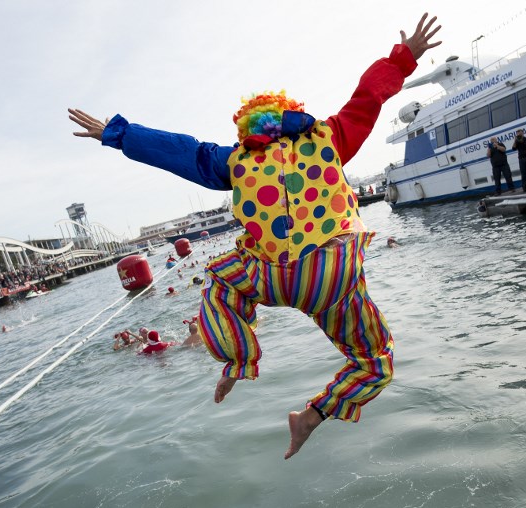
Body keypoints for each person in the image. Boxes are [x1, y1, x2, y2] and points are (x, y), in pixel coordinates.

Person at [68, 13, 441, 460]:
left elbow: (180, 151)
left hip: (271, 277)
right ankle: (312, 416)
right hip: (331, 275)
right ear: (292, 116)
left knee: (221, 284)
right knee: (375, 360)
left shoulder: (236, 160)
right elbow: (368, 97)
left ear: (249, 126)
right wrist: (404, 58)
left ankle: (240, 361)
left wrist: (118, 133)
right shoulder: (330, 136)